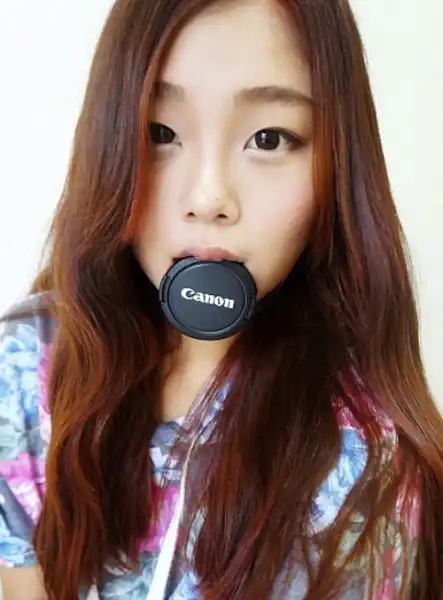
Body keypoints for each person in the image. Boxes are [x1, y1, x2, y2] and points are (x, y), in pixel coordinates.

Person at [0, 0, 442, 598]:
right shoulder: (28, 362)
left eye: (269, 138)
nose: (209, 197)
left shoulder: (367, 455)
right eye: (160, 133)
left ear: (336, 169)